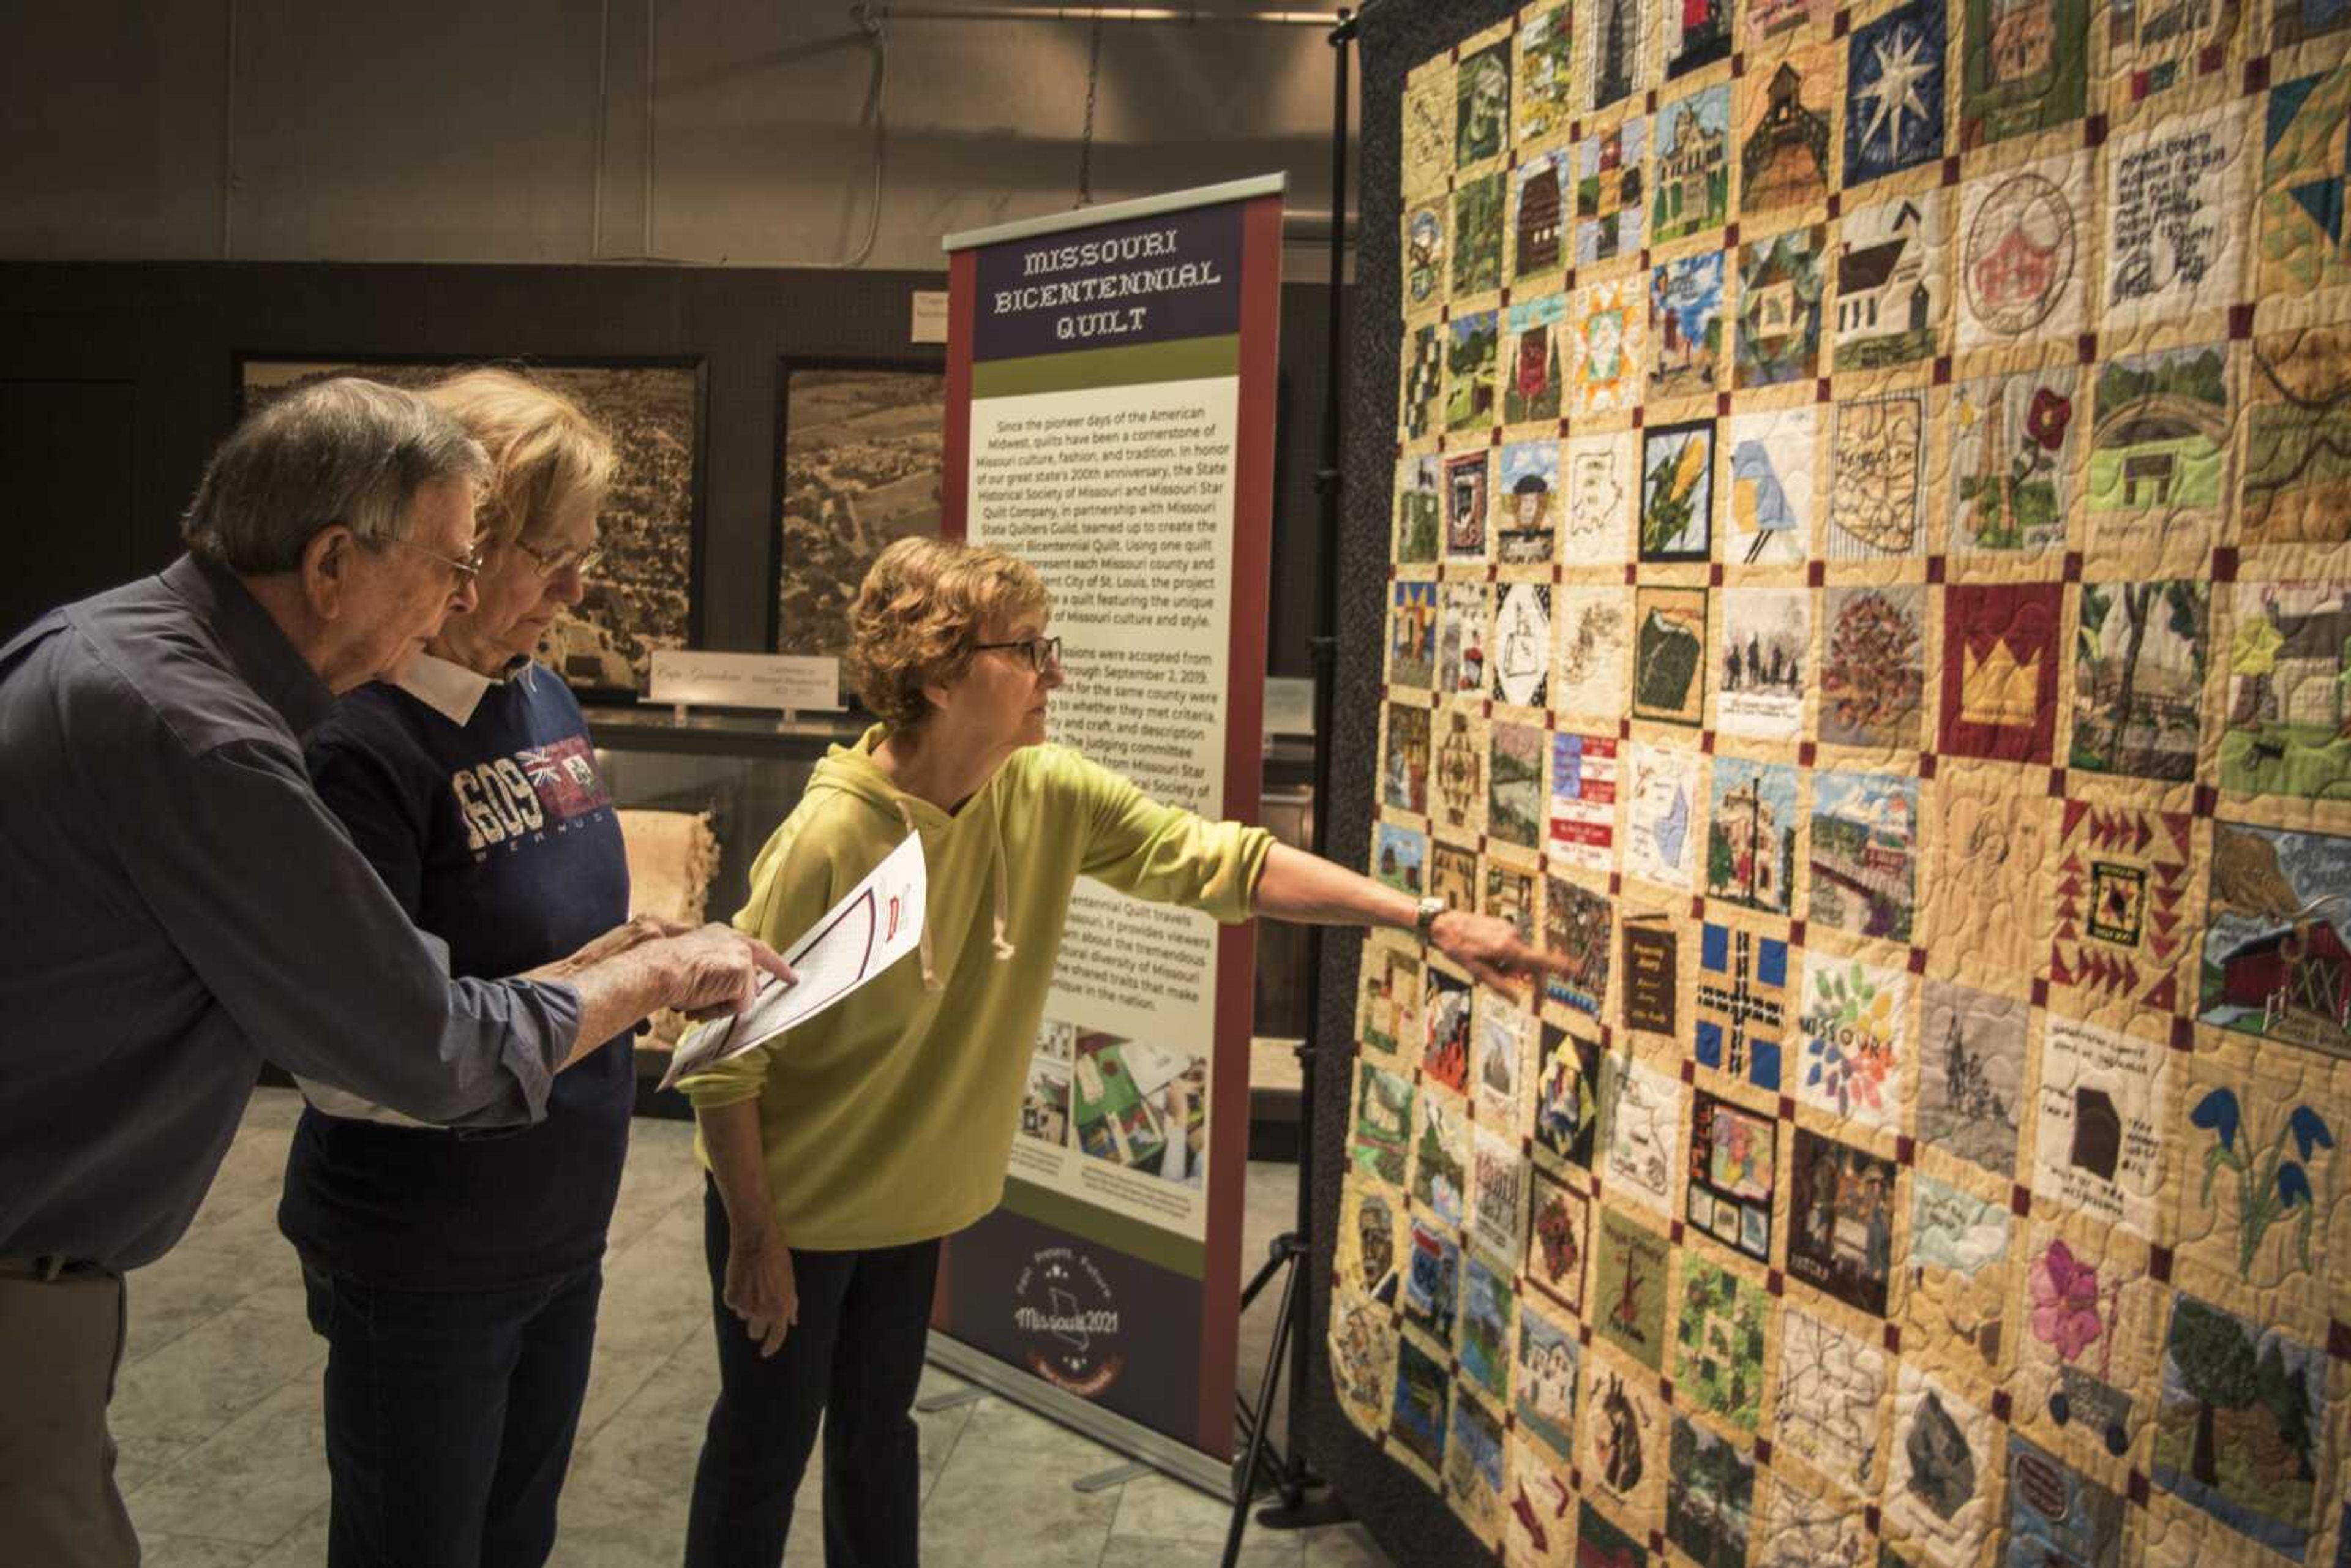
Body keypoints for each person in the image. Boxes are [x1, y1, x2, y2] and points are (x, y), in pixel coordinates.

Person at [0, 377, 791, 1567]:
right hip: (96, 1258)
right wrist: (645, 975)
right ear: (333, 563)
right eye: (453, 567)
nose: (457, 603)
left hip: (84, 1264)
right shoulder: (210, 733)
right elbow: (417, 1048)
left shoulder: (123, 651)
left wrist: (598, 965)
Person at [677, 536, 1565, 1567]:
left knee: (879, 1436)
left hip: (902, 1204)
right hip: (792, 1207)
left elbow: (1223, 862)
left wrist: (1426, 916)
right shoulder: (832, 837)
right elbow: (724, 1054)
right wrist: (752, 1232)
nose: (1057, 672)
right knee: (763, 1449)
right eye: (1028, 650)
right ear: (935, 670)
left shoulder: (1041, 791)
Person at [275, 369, 641, 1567]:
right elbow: (361, 1050)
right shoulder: (360, 741)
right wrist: (624, 987)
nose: (579, 590)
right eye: (553, 556)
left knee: (514, 1535)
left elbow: (542, 937)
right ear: (462, 546)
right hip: (425, 1257)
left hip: (557, 1226)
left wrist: (647, 959)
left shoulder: (537, 690)